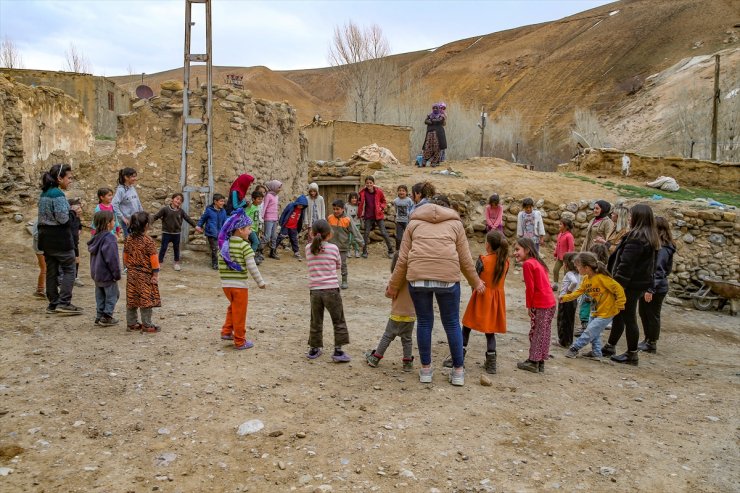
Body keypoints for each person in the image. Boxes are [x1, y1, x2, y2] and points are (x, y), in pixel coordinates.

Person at [386, 194, 484, 387]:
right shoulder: (456, 225)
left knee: (424, 322)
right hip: (448, 280)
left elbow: (403, 260)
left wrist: (393, 286)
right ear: (448, 209)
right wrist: (476, 282)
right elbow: (465, 259)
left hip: (418, 279)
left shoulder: (413, 224)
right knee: (452, 324)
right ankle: (457, 372)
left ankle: (425, 370)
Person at [602, 204, 660, 365]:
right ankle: (610, 346)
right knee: (621, 315)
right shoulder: (650, 237)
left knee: (628, 318)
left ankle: (632, 353)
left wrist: (616, 286)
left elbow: (626, 265)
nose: (628, 218)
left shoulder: (636, 238)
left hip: (628, 285)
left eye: (630, 216)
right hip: (637, 284)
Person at [452, 229, 509, 374]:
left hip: (481, 296)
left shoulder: (483, 260)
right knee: (490, 331)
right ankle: (491, 363)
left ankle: (458, 357)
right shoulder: (505, 262)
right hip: (496, 300)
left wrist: (475, 292)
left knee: (467, 326)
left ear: (488, 245)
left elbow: (474, 280)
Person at [37, 164, 83, 315]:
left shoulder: (44, 193)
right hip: (59, 238)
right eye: (68, 178)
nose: (70, 181)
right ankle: (64, 302)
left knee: (51, 270)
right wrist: (73, 212)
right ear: (59, 178)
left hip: (45, 237)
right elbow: (63, 219)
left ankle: (53, 303)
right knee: (69, 268)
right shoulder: (58, 194)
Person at [217, 209, 266, 350]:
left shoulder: (224, 245)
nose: (250, 231)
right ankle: (240, 341)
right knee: (240, 312)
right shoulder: (245, 246)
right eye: (249, 228)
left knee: (233, 307)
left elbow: (220, 265)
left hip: (226, 285)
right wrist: (260, 282)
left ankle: (226, 331)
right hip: (239, 286)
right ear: (240, 229)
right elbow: (252, 267)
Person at [562, 252, 625, 359]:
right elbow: (579, 292)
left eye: (578, 267)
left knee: (589, 331)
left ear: (586, 268)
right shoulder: (586, 279)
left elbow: (618, 289)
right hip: (595, 311)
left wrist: (620, 304)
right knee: (594, 333)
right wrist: (565, 298)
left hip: (607, 312)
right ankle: (596, 353)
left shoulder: (602, 278)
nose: (577, 269)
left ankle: (574, 348)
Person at [305, 219, 351, 362]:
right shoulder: (334, 248)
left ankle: (314, 348)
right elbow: (338, 265)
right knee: (338, 320)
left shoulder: (308, 248)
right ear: (329, 234)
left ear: (312, 234)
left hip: (315, 290)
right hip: (331, 289)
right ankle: (338, 351)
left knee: (316, 320)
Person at [365, 252, 416, 371]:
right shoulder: (414, 278)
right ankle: (407, 363)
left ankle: (375, 358)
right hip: (411, 315)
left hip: (396, 314)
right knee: (407, 339)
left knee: (387, 336)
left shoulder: (395, 279)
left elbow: (389, 294)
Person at [513, 238, 556, 373]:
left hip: (541, 303)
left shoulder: (528, 264)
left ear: (527, 250)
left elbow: (530, 288)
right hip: (550, 302)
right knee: (544, 332)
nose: (515, 253)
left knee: (537, 332)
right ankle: (540, 361)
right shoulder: (538, 263)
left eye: (517, 249)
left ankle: (533, 361)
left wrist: (529, 306)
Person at [637, 216, 675, 353]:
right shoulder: (658, 245)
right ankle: (647, 339)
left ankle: (651, 342)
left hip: (655, 287)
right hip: (649, 285)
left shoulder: (664, 248)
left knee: (652, 314)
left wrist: (651, 289)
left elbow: (659, 269)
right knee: (644, 312)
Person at [123, 212, 161, 333]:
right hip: (145, 275)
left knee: (131, 298)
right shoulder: (148, 241)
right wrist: (155, 274)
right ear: (146, 225)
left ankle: (132, 323)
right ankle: (147, 324)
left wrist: (129, 267)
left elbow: (125, 257)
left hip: (132, 273)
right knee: (146, 299)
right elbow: (154, 260)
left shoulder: (128, 239)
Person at [88, 210, 121, 326]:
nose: (114, 222)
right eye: (113, 220)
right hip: (107, 274)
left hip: (97, 274)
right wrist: (116, 274)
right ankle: (107, 317)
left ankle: (99, 315)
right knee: (113, 295)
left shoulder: (95, 237)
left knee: (100, 295)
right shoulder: (109, 238)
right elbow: (112, 259)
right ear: (108, 223)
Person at [152, 192, 197, 271]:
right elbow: (156, 216)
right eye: (177, 199)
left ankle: (176, 263)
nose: (178, 201)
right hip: (166, 233)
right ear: (172, 199)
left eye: (180, 200)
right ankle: (159, 263)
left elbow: (188, 219)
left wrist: (195, 226)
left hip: (176, 233)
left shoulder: (181, 211)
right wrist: (148, 222)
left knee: (176, 249)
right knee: (163, 248)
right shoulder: (165, 209)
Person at [327, 199, 363, 289]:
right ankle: (331, 280)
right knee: (330, 264)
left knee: (343, 264)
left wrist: (361, 242)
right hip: (331, 246)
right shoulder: (330, 218)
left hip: (343, 246)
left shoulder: (347, 219)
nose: (335, 211)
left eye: (337, 209)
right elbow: (325, 230)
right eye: (334, 209)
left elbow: (355, 231)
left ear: (343, 209)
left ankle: (344, 280)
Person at [358, 176, 394, 259]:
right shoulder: (363, 192)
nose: (369, 184)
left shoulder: (379, 192)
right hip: (368, 216)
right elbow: (360, 202)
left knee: (384, 232)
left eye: (370, 183)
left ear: (373, 183)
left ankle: (391, 250)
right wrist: (360, 212)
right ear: (365, 184)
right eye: (367, 183)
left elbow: (384, 201)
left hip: (378, 215)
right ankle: (364, 251)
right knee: (366, 234)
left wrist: (381, 207)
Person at [196, 193, 227, 270]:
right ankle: (215, 264)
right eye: (221, 201)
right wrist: (199, 225)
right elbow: (203, 218)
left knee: (222, 248)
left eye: (223, 201)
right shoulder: (209, 210)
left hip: (221, 233)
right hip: (211, 233)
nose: (223, 203)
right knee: (215, 249)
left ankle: (222, 262)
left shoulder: (223, 211)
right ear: (215, 202)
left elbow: (225, 221)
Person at [556, 253, 580, 347]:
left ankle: (563, 341)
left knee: (563, 320)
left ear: (566, 264)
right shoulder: (578, 273)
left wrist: (569, 291)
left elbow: (574, 282)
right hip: (573, 299)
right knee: (570, 321)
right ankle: (568, 341)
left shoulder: (569, 274)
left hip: (566, 300)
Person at [112, 167, 143, 238]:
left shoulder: (132, 187)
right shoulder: (121, 190)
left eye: (135, 176)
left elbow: (138, 202)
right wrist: (123, 218)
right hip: (127, 222)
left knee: (135, 242)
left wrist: (142, 214)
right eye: (133, 176)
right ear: (126, 177)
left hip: (136, 220)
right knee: (129, 243)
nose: (135, 178)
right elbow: (114, 205)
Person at [276, 194, 308, 261]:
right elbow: (284, 214)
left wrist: (299, 227)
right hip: (286, 226)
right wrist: (281, 223)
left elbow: (300, 219)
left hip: (294, 227)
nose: (300, 206)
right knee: (281, 237)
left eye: (302, 206)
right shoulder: (291, 206)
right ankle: (273, 249)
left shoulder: (301, 210)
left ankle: (296, 252)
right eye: (300, 204)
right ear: (297, 203)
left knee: (294, 240)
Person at [552, 218, 575, 290]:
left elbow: (571, 248)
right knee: (555, 270)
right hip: (559, 257)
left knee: (566, 273)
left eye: (560, 224)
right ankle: (555, 284)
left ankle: (566, 287)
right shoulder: (560, 234)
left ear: (566, 226)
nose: (559, 225)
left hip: (566, 259)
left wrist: (568, 260)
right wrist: (555, 254)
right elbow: (557, 246)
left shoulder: (569, 236)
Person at [262, 180, 282, 259]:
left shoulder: (276, 196)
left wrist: (277, 217)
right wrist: (262, 217)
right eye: (278, 187)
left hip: (275, 219)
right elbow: (265, 207)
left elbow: (275, 208)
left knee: (274, 236)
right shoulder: (268, 196)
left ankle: (272, 252)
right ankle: (259, 250)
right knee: (267, 236)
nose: (280, 189)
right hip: (268, 218)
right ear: (274, 187)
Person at [245, 190, 265, 264]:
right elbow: (245, 216)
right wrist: (247, 227)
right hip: (250, 229)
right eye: (259, 199)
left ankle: (252, 256)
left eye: (261, 199)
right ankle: (250, 258)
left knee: (257, 243)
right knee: (255, 242)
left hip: (256, 229)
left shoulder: (258, 207)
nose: (260, 201)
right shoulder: (250, 207)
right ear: (253, 199)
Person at [68, 198, 84, 287]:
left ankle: (75, 277)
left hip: (75, 243)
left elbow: (80, 226)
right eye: (77, 208)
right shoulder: (69, 218)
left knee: (77, 260)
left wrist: (79, 230)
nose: (80, 210)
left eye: (80, 208)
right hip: (69, 243)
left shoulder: (77, 218)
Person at [392, 185, 414, 251]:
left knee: (408, 237)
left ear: (406, 192)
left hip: (407, 221)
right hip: (399, 221)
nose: (401, 192)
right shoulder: (396, 201)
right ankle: (397, 251)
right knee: (398, 237)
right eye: (400, 191)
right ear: (397, 192)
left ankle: (410, 250)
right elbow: (396, 210)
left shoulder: (409, 200)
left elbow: (411, 209)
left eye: (403, 191)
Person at [31, 220, 46, 298]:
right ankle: (40, 289)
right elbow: (36, 235)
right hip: (40, 249)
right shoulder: (38, 220)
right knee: (44, 269)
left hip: (43, 248)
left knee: (44, 268)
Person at [345, 192, 362, 258]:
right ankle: (348, 251)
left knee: (355, 238)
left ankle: (356, 251)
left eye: (355, 198)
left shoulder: (358, 206)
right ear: (350, 199)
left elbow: (361, 213)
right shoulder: (346, 205)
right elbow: (345, 214)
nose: (354, 199)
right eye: (352, 198)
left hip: (357, 224)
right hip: (349, 224)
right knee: (349, 238)